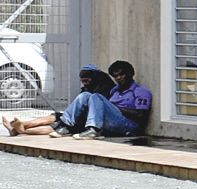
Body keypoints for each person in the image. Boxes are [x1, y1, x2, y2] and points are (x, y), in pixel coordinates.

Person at [4, 60, 152, 139]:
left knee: (95, 97)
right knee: (87, 96)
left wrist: (114, 108)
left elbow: (141, 116)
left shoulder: (140, 92)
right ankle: (66, 125)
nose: (119, 78)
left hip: (128, 127)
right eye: (116, 76)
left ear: (130, 74)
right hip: (106, 121)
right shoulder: (114, 90)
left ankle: (91, 129)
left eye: (121, 75)